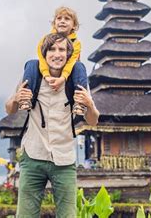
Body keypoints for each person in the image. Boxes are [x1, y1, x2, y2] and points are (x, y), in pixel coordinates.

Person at [5, 33, 99, 218]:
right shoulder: (32, 77)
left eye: (62, 49)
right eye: (52, 50)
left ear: (68, 54)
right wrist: (16, 98)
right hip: (33, 157)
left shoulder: (76, 81)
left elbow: (93, 120)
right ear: (44, 54)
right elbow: (9, 110)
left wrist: (90, 104)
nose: (57, 54)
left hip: (64, 160)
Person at [19, 6, 88, 115]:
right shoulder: (44, 40)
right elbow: (42, 60)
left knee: (79, 65)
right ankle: (26, 98)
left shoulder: (77, 44)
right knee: (32, 63)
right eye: (59, 18)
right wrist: (46, 76)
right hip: (48, 70)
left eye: (67, 19)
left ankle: (80, 102)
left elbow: (71, 63)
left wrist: (62, 78)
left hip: (67, 74)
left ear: (74, 25)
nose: (62, 21)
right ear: (54, 23)